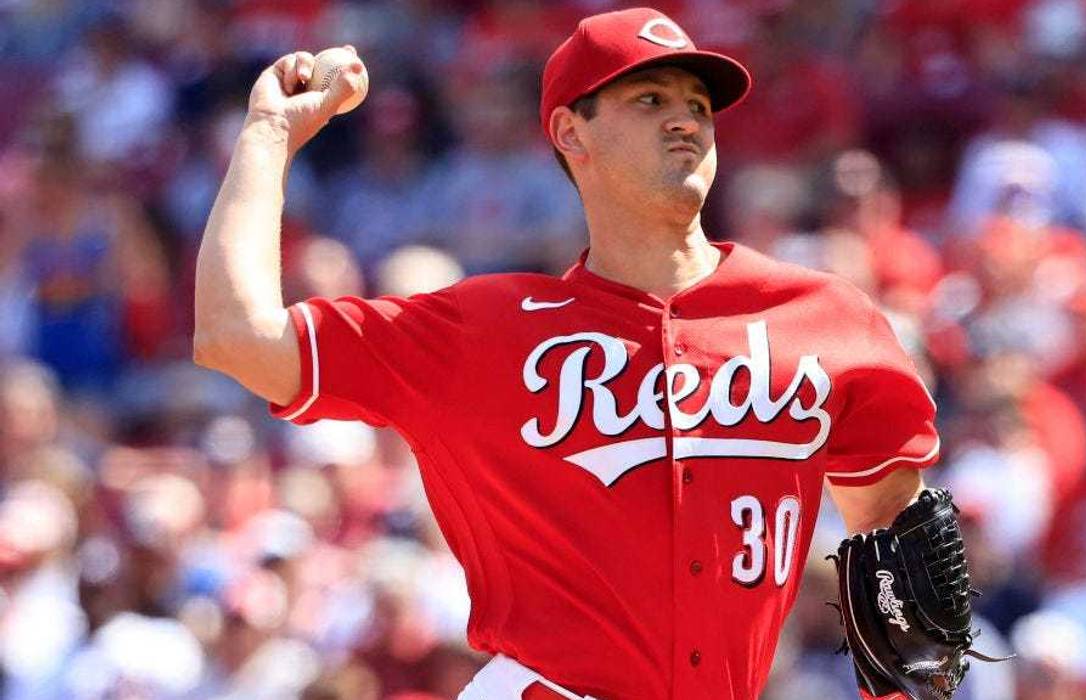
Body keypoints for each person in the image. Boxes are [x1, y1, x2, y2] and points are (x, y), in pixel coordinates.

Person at [194, 8, 950, 700]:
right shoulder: (484, 330)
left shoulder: (821, 319)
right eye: (649, 101)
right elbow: (237, 336)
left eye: (696, 104)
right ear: (569, 132)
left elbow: (895, 529)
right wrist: (268, 135)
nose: (685, 121)